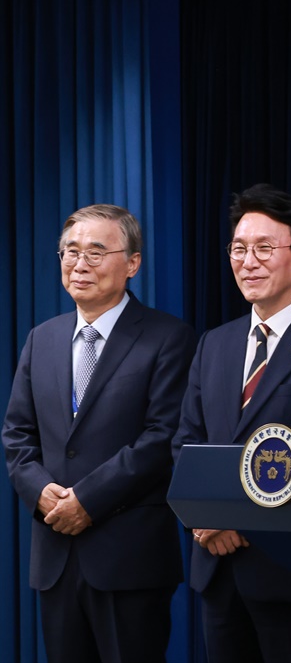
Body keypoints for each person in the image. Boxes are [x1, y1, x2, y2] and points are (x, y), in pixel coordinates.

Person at [174, 185, 291, 663]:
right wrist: (204, 518)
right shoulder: (213, 344)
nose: (248, 262)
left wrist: (232, 519)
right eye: (239, 249)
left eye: (264, 248)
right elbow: (186, 444)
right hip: (216, 568)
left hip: (289, 573)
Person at [2, 204, 195, 662]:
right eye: (70, 251)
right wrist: (41, 492)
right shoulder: (42, 338)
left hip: (129, 557)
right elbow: (17, 435)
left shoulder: (168, 338)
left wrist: (87, 500)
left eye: (95, 252)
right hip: (56, 553)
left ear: (133, 263)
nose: (79, 264)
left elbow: (162, 437)